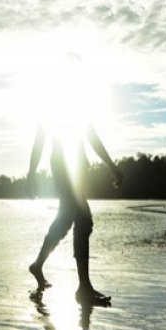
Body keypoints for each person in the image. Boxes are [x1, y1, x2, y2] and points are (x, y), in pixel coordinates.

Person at [27, 123, 123, 306]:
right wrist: (31, 173)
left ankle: (38, 265)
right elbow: (40, 138)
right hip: (62, 167)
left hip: (79, 165)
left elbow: (91, 136)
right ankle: (84, 288)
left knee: (64, 220)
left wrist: (112, 165)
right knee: (83, 219)